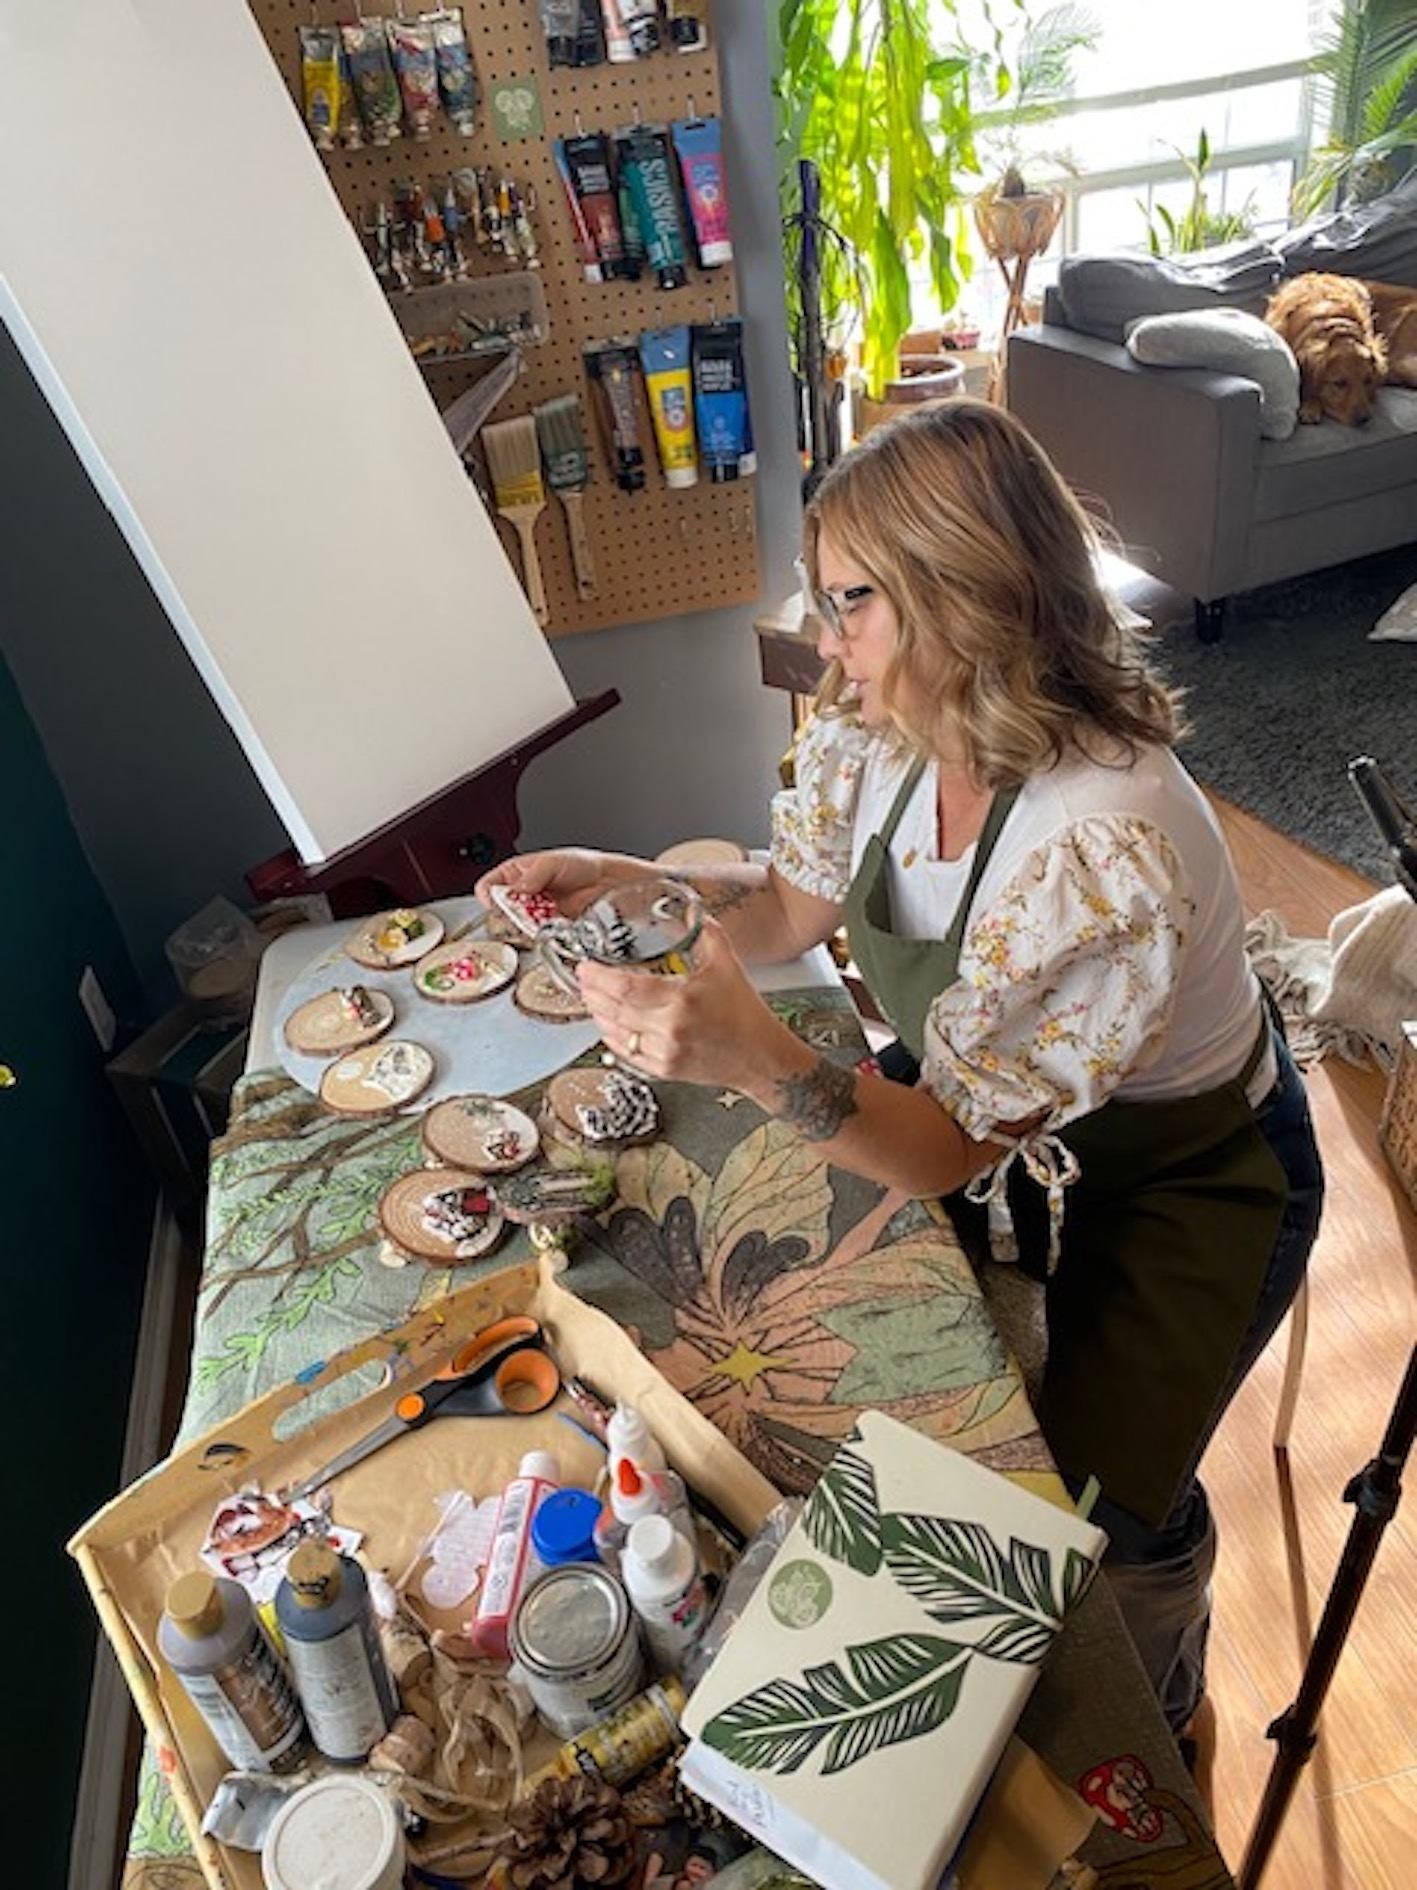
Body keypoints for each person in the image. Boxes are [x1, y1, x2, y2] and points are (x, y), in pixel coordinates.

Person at [476, 399, 1324, 1756]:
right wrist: (635, 879)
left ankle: (1166, 1709)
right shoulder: (877, 730)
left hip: (1191, 1175)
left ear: (966, 593)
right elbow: (780, 913)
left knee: (1105, 1507)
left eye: (852, 604)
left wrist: (756, 1055)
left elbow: (939, 1147)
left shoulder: (1104, 838)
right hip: (998, 1108)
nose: (825, 642)